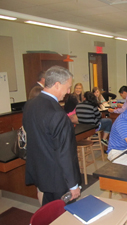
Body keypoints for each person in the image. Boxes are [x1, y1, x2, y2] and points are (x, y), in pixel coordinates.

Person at [23, 65, 81, 206]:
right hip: (58, 177)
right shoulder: (57, 114)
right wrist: (73, 185)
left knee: (49, 210)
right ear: (56, 85)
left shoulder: (29, 105)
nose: (68, 92)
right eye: (67, 87)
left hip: (40, 171)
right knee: (62, 214)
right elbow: (64, 153)